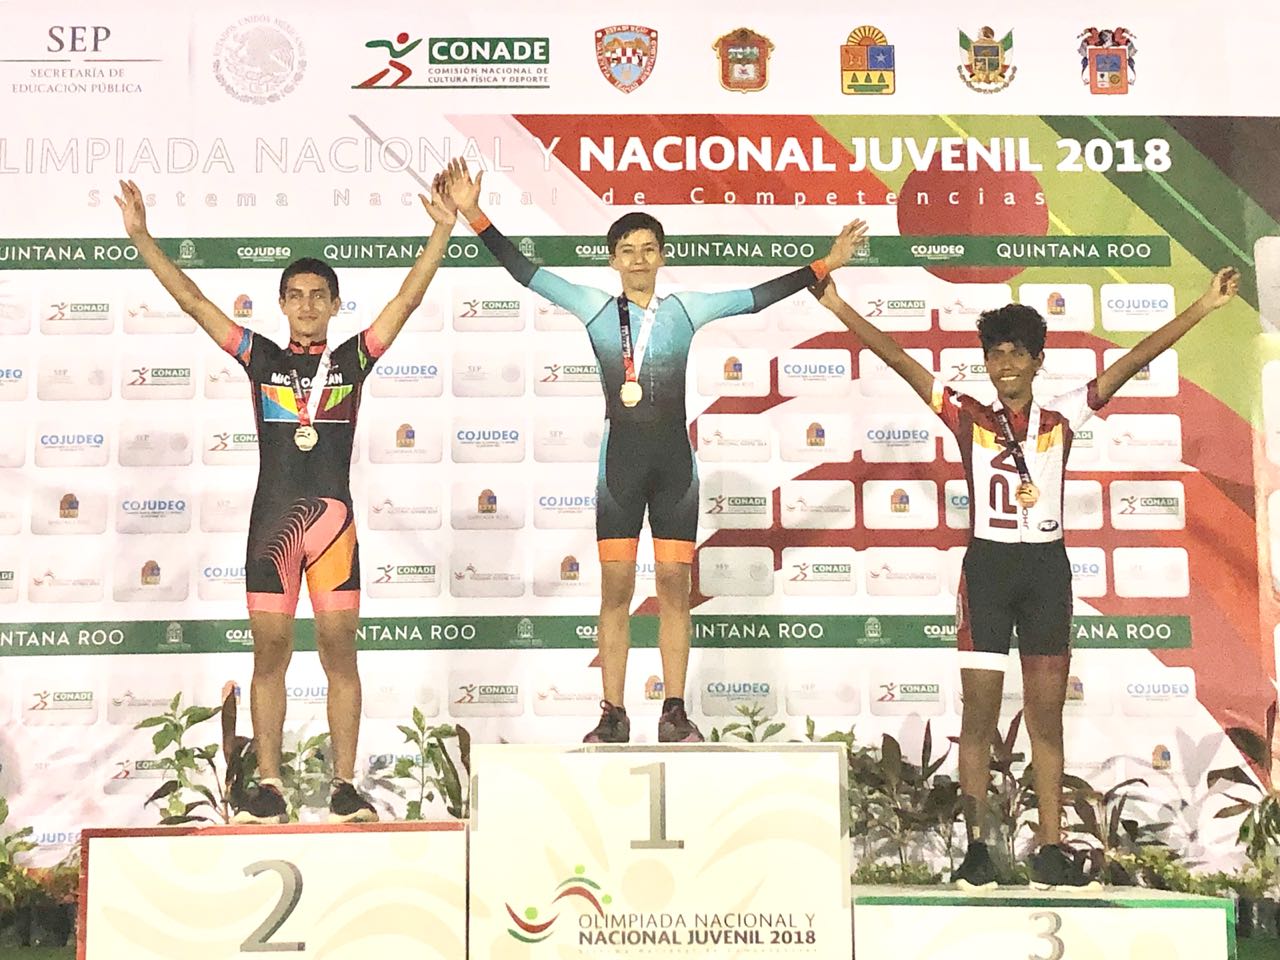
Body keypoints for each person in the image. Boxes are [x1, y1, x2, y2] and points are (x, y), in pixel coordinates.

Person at [811, 263, 1239, 887]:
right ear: (986, 363)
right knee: (979, 718)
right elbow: (901, 361)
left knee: (1046, 719)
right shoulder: (968, 416)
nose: (1004, 364)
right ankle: (977, 849)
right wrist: (839, 309)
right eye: (995, 354)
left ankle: (1050, 848)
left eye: (1016, 353)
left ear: (1038, 361)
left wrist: (1202, 307)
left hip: (1045, 571)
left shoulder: (1063, 416)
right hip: (987, 570)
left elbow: (1133, 360)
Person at [443, 159, 866, 744]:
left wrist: (825, 264)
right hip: (619, 469)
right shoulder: (594, 308)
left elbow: (756, 297)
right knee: (615, 592)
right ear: (612, 260)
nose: (638, 259)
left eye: (648, 249)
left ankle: (674, 710)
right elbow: (526, 272)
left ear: (662, 256)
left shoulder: (685, 311)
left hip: (675, 471)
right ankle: (612, 713)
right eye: (627, 251)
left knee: (673, 589)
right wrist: (473, 213)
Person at [115, 176, 456, 822]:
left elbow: (407, 301)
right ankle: (269, 785)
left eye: (317, 296)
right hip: (272, 528)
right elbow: (192, 301)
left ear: (334, 305)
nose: (306, 305)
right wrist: (141, 237)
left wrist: (442, 229)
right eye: (295, 295)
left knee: (339, 651)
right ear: (281, 303)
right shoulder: (261, 358)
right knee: (269, 654)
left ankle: (344, 785)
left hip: (334, 530)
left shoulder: (352, 361)